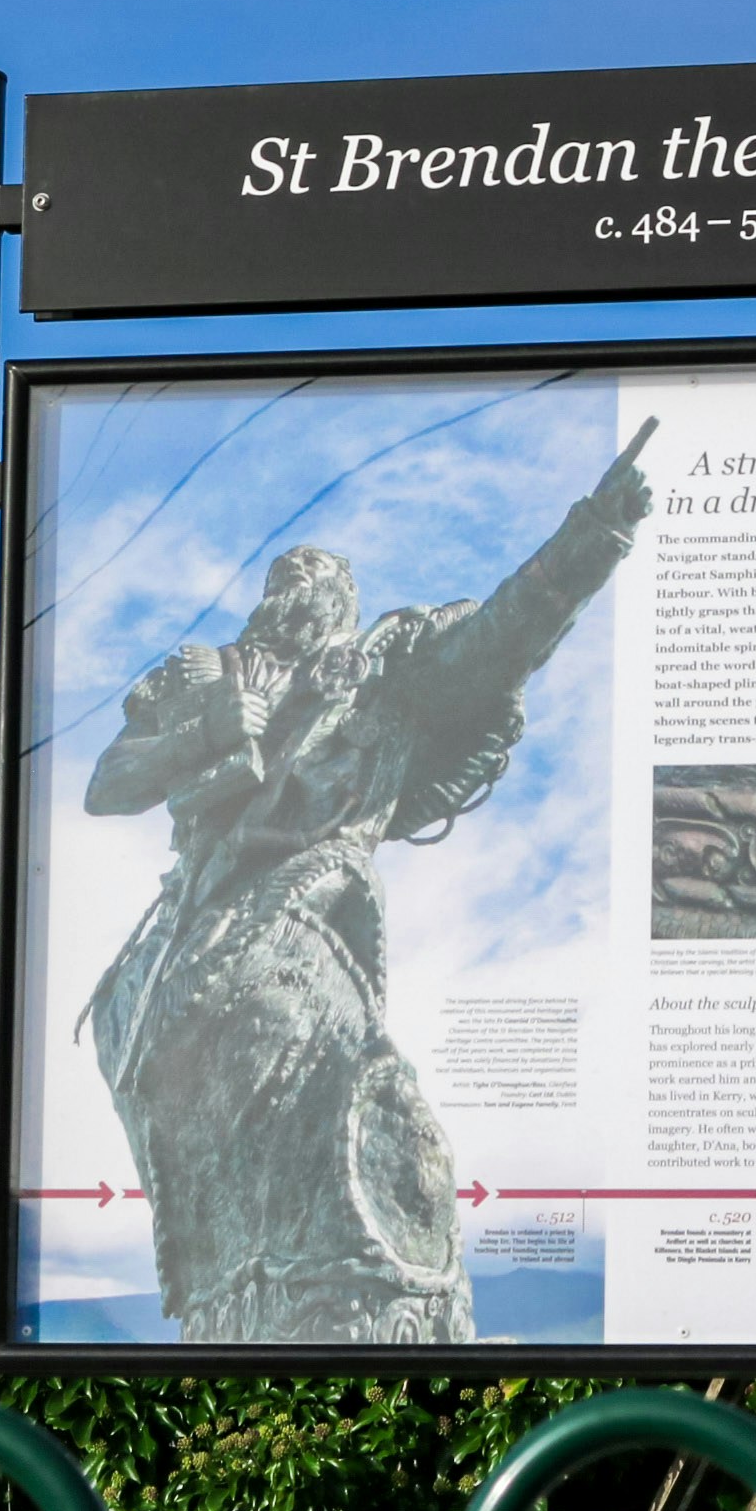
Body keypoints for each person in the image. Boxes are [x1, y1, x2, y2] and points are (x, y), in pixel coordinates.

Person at [82, 427, 654, 1344]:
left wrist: (591, 537)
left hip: (309, 899)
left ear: (343, 608)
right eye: (284, 588)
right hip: (226, 914)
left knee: (381, 1115)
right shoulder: (206, 674)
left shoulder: (387, 677)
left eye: (316, 591)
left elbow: (506, 635)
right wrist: (209, 730)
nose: (296, 602)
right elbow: (109, 783)